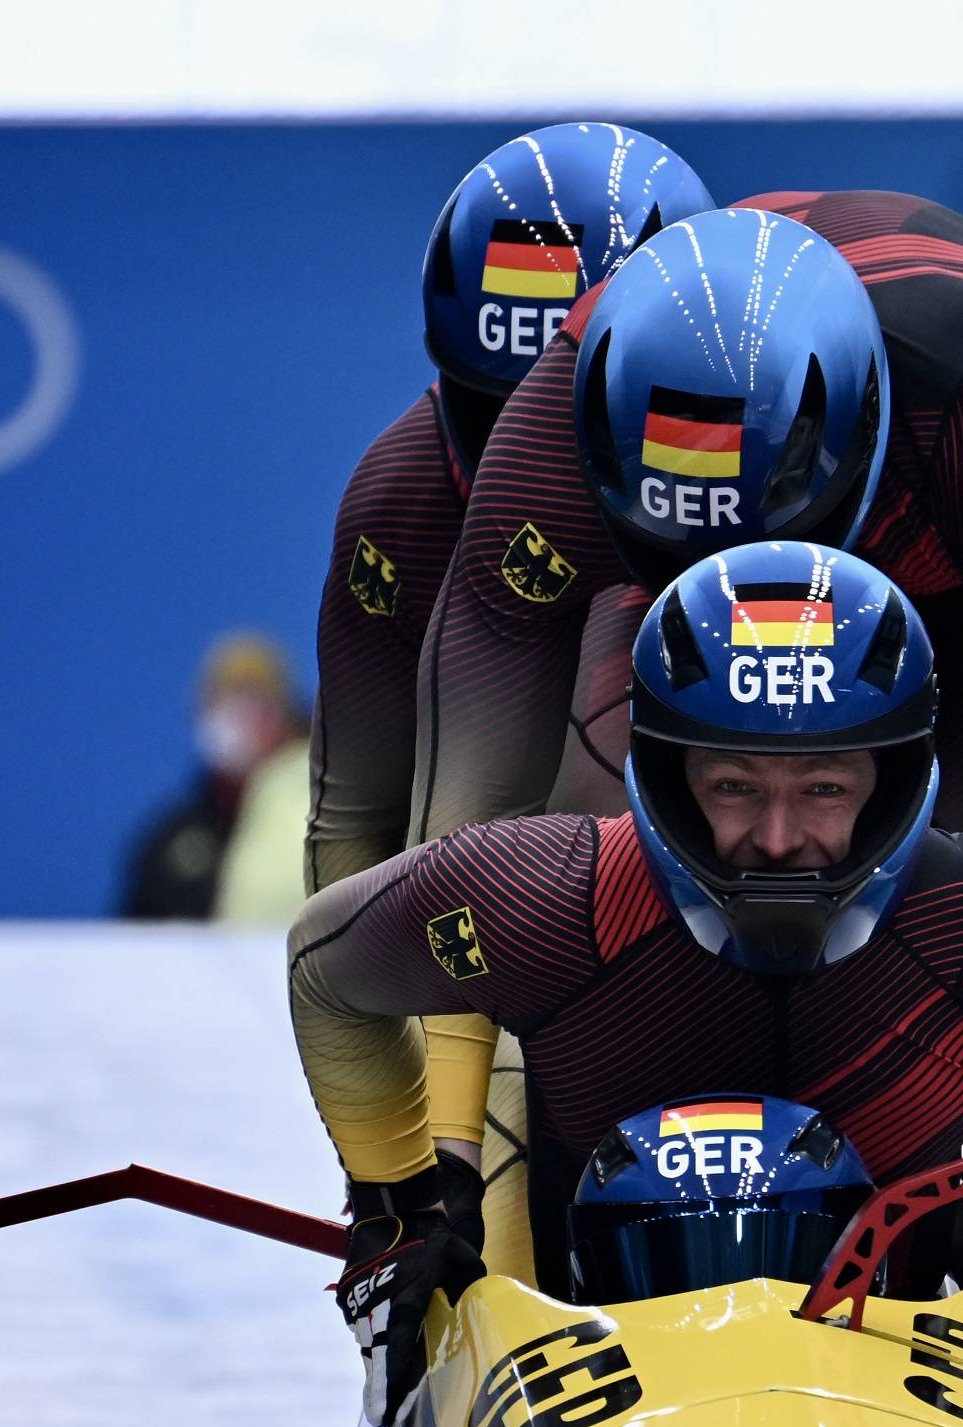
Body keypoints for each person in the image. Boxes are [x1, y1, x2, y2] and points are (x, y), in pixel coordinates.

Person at [288, 546, 963, 1419]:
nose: (774, 839)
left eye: (825, 791)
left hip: (907, 1369)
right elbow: (324, 972)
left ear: (889, 781)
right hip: (575, 1342)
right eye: (731, 787)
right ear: (670, 775)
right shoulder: (541, 896)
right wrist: (400, 1202)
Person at [404, 195, 963, 865]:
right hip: (669, 583)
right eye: (698, 542)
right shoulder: (548, 444)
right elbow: (455, 858)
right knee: (602, 862)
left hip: (955, 568)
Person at [301, 123, 713, 892]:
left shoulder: (763, 458)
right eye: (504, 409)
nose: (531, 456)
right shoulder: (402, 500)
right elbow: (359, 811)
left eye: (567, 411)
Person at [119, 630, 313, 925]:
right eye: (225, 700)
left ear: (288, 716)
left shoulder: (326, 819)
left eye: (256, 703)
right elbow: (123, 952)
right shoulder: (169, 843)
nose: (240, 720)